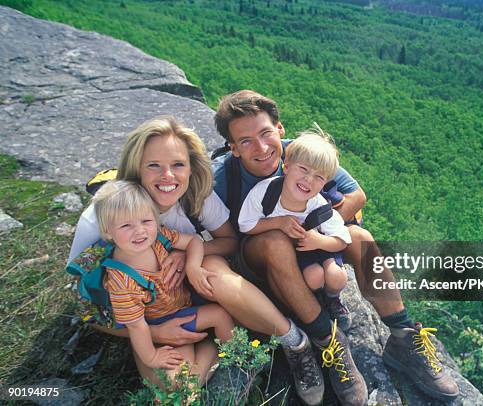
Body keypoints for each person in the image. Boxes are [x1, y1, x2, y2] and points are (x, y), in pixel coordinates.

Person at [212, 90, 459, 401]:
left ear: (280, 129)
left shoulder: (301, 157)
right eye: (245, 141)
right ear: (232, 148)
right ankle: (329, 342)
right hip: (262, 259)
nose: (261, 148)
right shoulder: (222, 178)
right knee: (276, 242)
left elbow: (357, 195)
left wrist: (316, 226)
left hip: (312, 250)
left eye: (265, 133)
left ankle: (403, 334)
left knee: (362, 238)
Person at [69, 116, 324, 404]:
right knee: (171, 389)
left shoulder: (195, 196)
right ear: (136, 167)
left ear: (190, 167)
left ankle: (294, 343)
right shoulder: (103, 217)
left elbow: (230, 242)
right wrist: (153, 332)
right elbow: (85, 310)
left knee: (212, 268)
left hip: (197, 292)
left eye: (178, 165)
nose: (168, 176)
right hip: (146, 315)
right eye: (154, 165)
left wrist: (186, 257)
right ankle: (218, 362)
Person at [92, 180, 234, 385]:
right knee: (178, 384)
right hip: (159, 326)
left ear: (156, 220)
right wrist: (152, 357)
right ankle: (209, 351)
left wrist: (192, 266)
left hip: (183, 310)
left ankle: (235, 353)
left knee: (220, 315)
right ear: (107, 231)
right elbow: (137, 327)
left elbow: (194, 241)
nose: (139, 231)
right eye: (126, 225)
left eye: (146, 221)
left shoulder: (158, 236)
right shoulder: (120, 281)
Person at [238, 126, 352, 331]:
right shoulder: (266, 193)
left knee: (337, 276)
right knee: (314, 276)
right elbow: (245, 225)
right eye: (304, 169)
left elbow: (342, 239)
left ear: (325, 182)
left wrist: (319, 241)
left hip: (316, 247)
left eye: (319, 177)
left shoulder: (319, 205)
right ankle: (314, 301)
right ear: (287, 166)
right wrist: (279, 223)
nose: (309, 180)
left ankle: (332, 300)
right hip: (290, 255)